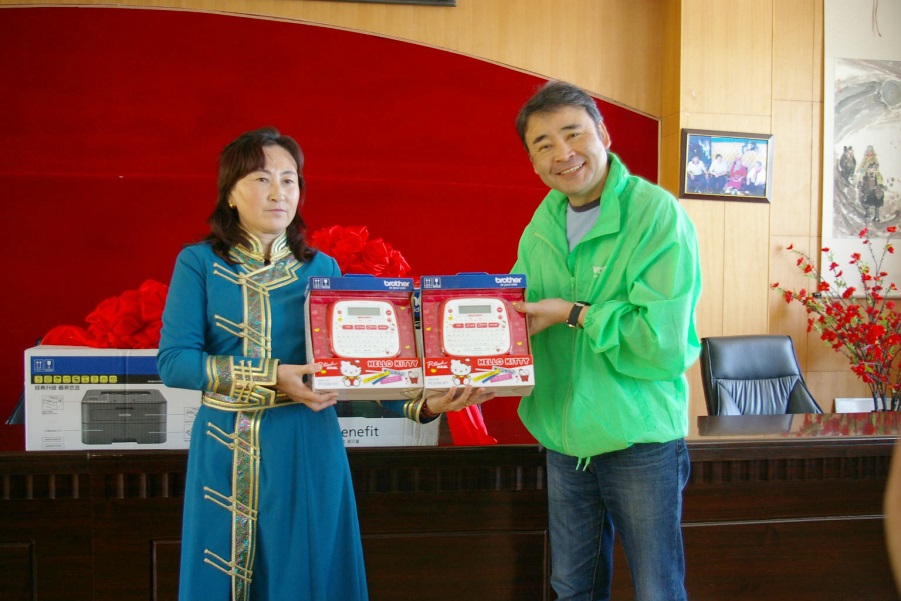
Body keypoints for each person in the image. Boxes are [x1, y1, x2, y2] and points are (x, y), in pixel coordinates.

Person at [157, 127, 491, 601]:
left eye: (289, 180)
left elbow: (353, 372)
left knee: (307, 570)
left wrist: (425, 403)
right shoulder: (200, 263)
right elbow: (175, 362)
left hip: (306, 441)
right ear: (229, 193)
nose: (278, 192)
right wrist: (273, 376)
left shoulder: (323, 269)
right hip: (225, 443)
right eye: (261, 178)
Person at [511, 81, 701, 601]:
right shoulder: (542, 223)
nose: (562, 153)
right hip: (564, 440)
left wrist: (575, 314)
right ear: (533, 162)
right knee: (571, 588)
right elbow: (520, 314)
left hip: (638, 437)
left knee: (657, 589)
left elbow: (662, 342)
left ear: (604, 135)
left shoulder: (656, 214)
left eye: (573, 134)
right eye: (544, 144)